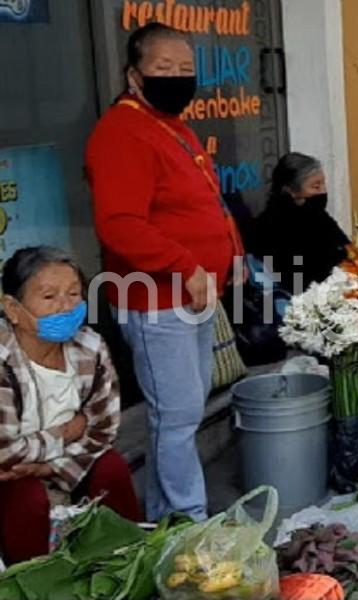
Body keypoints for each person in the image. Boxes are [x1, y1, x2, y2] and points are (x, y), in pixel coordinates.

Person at [85, 24, 242, 522]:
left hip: (192, 295)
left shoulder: (172, 126)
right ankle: (185, 521)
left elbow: (205, 201)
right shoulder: (121, 132)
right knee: (174, 418)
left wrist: (233, 252)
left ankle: (165, 513)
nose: (177, 78)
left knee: (184, 412)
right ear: (134, 76)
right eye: (163, 69)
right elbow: (120, 224)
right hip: (155, 299)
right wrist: (185, 266)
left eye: (186, 70)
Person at [0, 247, 141, 563]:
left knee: (112, 468)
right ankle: (35, 580)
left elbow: (104, 428)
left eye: (74, 294)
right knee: (25, 498)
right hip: (11, 475)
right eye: (49, 297)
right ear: (12, 308)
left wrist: (50, 466)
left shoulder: (90, 347)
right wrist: (66, 431)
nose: (65, 307)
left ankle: (126, 562)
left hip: (61, 460)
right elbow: (5, 452)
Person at [246, 153, 350, 294]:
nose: (323, 191)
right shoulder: (273, 226)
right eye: (315, 186)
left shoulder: (319, 217)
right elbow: (297, 279)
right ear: (292, 191)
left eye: (323, 184)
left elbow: (347, 249)